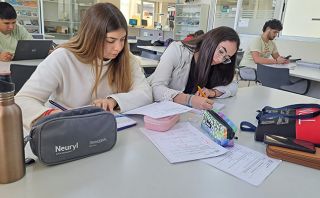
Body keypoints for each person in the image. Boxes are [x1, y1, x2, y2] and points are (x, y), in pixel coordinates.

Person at [15, 3, 152, 130]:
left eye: (122, 39)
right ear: (91, 37)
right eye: (110, 40)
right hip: (66, 132)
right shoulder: (63, 57)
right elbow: (22, 101)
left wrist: (114, 101)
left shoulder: (126, 59)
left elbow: (145, 93)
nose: (119, 47)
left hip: (106, 132)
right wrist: (51, 115)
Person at [148, 26, 240, 110]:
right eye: (221, 51)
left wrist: (212, 92)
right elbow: (156, 88)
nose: (220, 59)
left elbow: (233, 86)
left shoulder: (219, 64)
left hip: (187, 114)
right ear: (211, 41)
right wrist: (189, 99)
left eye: (226, 57)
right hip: (158, 110)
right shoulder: (177, 50)